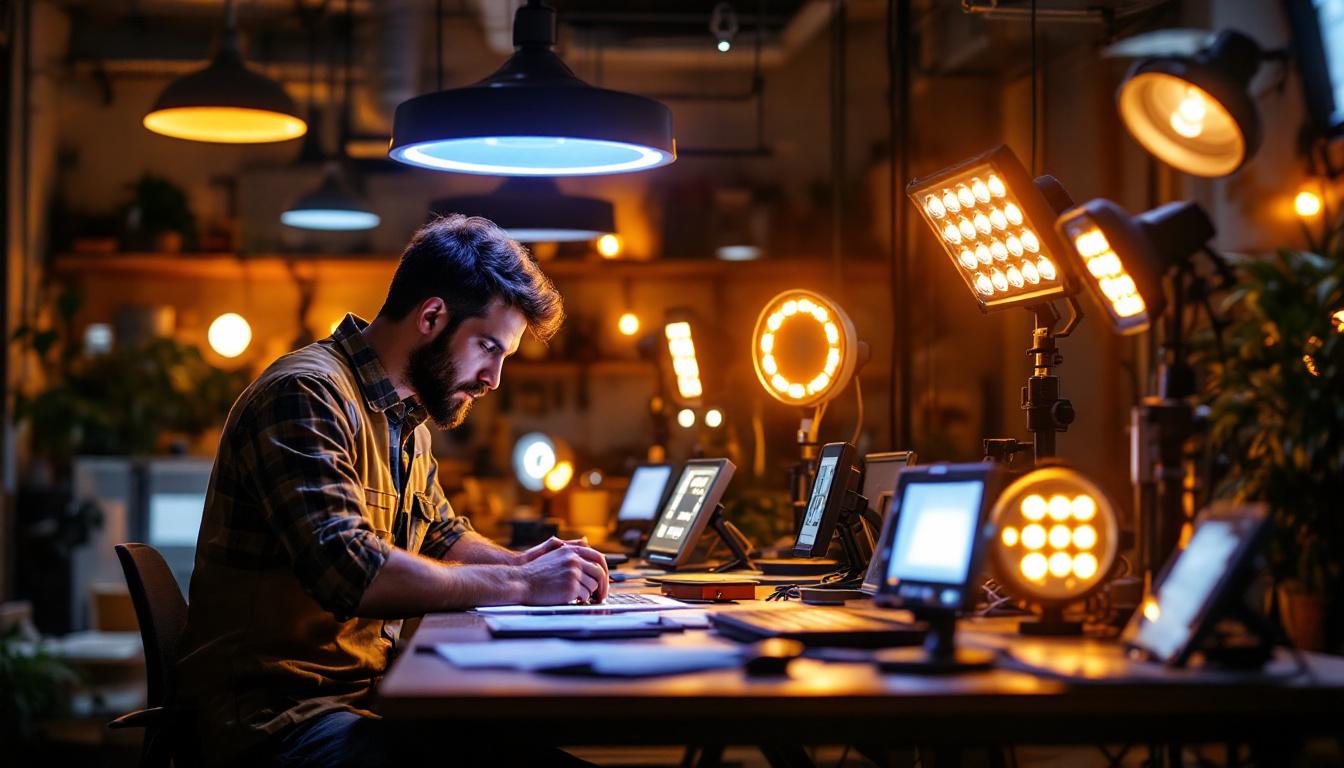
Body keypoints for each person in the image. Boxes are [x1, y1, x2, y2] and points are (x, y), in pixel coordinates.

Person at [176, 215, 607, 766]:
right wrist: (521, 583)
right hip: (270, 724)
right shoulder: (305, 394)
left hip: (359, 704)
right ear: (431, 317)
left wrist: (531, 566)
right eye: (487, 347)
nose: (493, 378)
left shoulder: (404, 419)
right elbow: (349, 570)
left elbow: (443, 535)